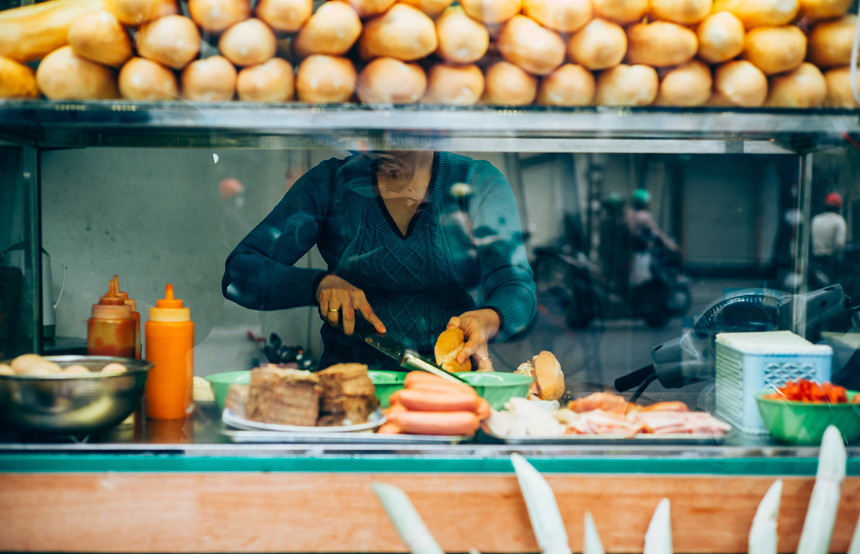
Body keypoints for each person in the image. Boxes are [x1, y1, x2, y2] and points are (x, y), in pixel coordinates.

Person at [222, 150, 536, 372]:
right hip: (349, 391)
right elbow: (239, 275)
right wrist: (317, 285)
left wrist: (488, 319)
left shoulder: (476, 181)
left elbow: (516, 286)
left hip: (451, 388)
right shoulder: (329, 184)